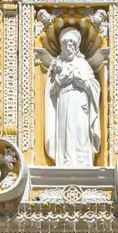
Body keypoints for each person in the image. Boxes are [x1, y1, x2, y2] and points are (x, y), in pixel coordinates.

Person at [44, 27, 101, 168]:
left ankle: (82, 161)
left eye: (71, 45)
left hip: (81, 102)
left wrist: (83, 83)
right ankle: (64, 161)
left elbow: (94, 86)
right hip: (63, 101)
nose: (68, 48)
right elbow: (50, 91)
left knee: (80, 130)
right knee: (65, 131)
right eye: (65, 45)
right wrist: (59, 81)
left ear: (76, 47)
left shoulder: (83, 64)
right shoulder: (58, 65)